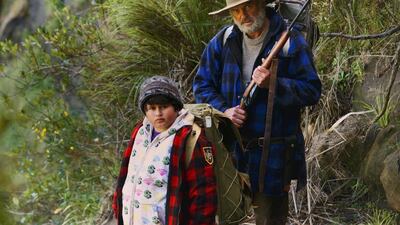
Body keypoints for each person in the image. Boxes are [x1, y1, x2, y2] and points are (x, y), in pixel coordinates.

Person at [193, 0, 321, 224]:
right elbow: (202, 85)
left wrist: (274, 83)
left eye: (248, 7)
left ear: (261, 4)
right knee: (229, 217)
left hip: (273, 154)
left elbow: (312, 91)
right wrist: (224, 111)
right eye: (235, 10)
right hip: (231, 152)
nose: (243, 15)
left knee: (270, 220)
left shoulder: (291, 41)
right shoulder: (223, 40)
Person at [113, 76, 217, 225]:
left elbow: (204, 194)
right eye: (152, 108)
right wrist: (118, 207)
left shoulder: (190, 138)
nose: (158, 113)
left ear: (176, 106)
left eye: (163, 107)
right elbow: (126, 175)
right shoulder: (140, 132)